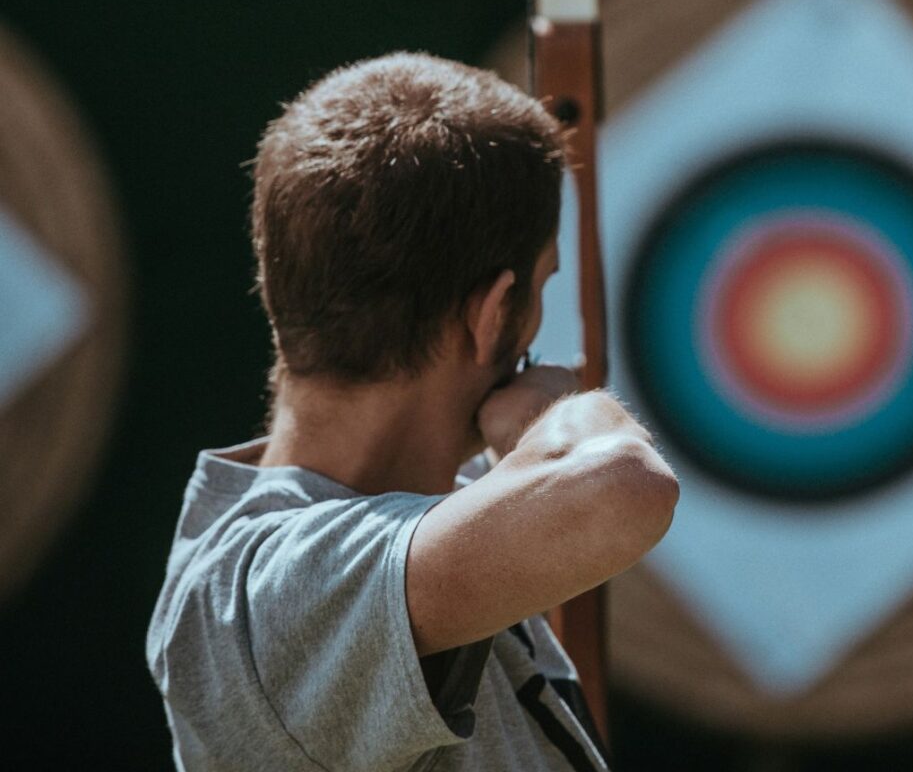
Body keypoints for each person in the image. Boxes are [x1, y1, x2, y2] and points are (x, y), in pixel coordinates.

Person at [146, 52, 679, 772]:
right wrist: (554, 418)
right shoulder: (264, 597)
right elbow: (620, 487)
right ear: (492, 315)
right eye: (543, 281)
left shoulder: (434, 528)